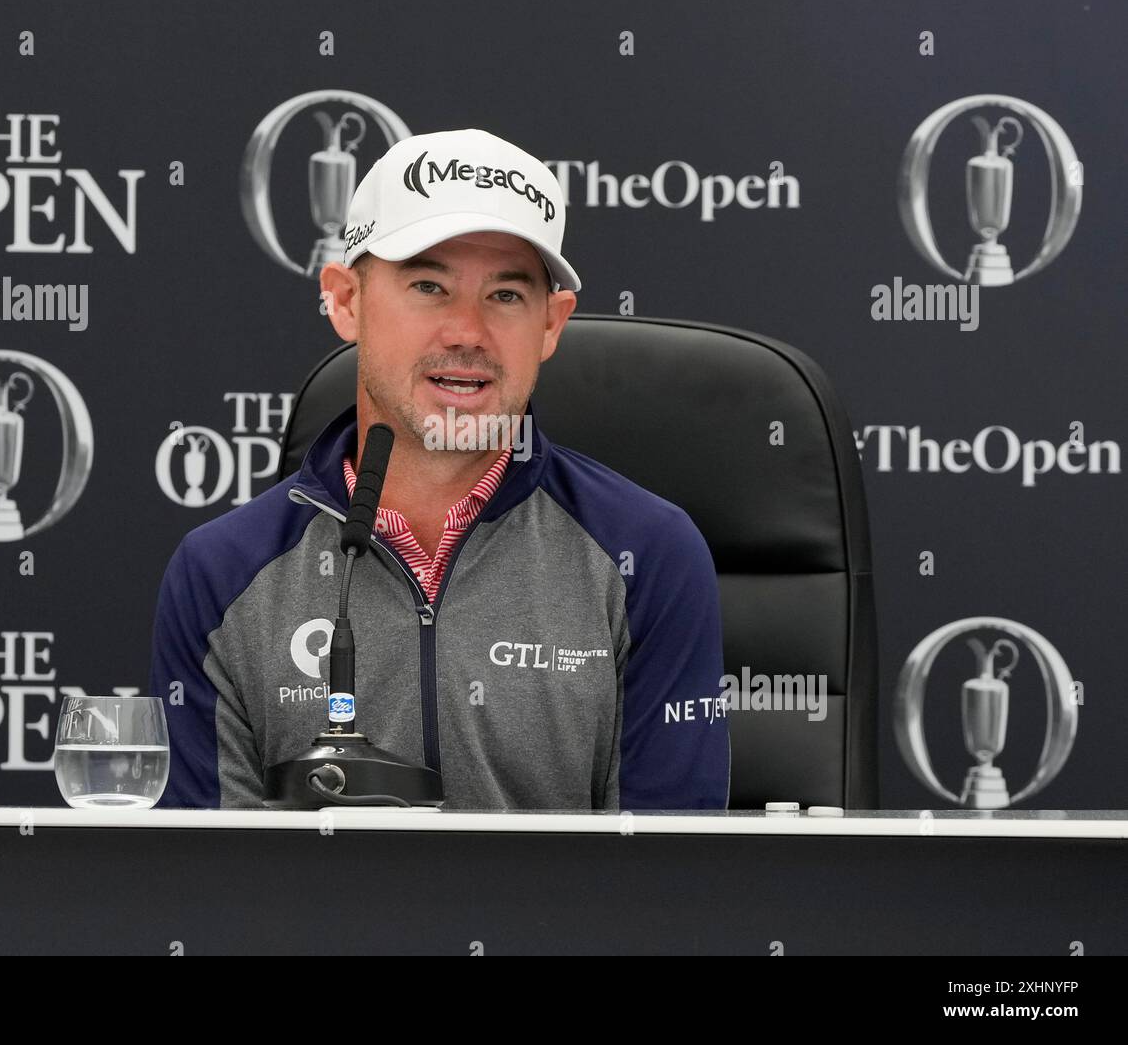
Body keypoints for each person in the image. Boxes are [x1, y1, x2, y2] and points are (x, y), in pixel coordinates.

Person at [150, 128, 729, 810]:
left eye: (506, 295)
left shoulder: (651, 555)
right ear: (345, 300)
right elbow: (206, 892)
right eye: (429, 284)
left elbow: (669, 894)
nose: (467, 331)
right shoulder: (219, 574)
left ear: (552, 323)